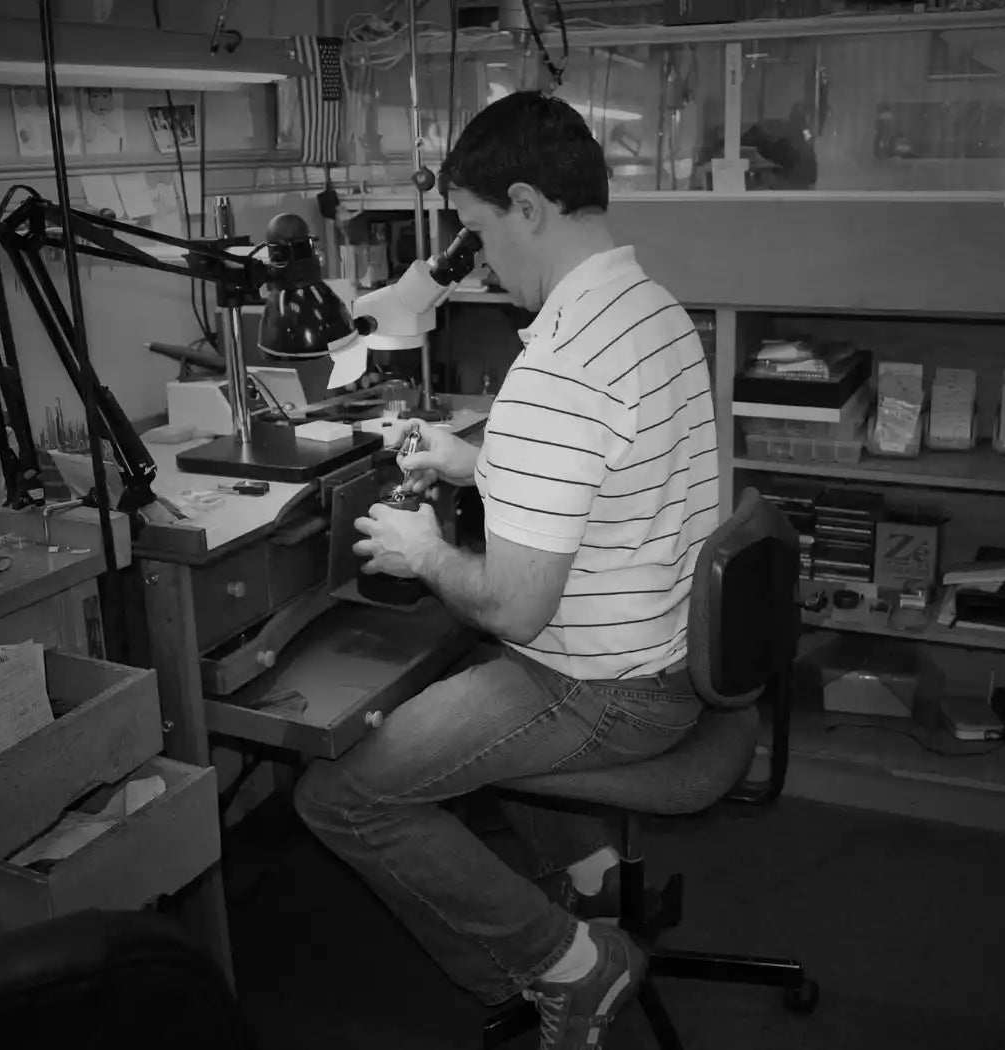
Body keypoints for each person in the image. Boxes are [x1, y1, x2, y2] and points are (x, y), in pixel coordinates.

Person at [295, 90, 719, 1049]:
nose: (477, 262)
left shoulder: (558, 367)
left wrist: (421, 550)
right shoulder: (652, 309)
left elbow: (518, 611)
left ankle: (570, 966)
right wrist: (469, 461)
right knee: (448, 685)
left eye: (478, 231)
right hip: (666, 649)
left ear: (527, 205)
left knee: (341, 795)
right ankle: (592, 884)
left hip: (602, 688)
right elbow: (611, 476)